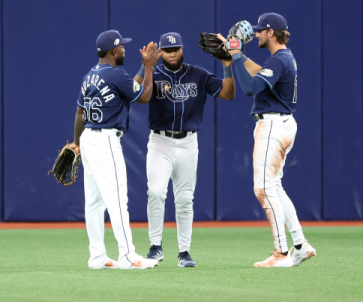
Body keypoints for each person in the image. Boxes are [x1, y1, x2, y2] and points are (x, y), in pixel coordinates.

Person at [222, 13, 316, 267]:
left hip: (273, 124)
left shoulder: (280, 59)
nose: (256, 34)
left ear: (271, 33)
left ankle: (281, 253)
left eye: (260, 31)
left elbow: (250, 88)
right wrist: (234, 56)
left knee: (263, 189)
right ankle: (301, 245)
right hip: (279, 123)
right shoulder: (283, 58)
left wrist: (236, 53)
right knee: (274, 188)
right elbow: (257, 73)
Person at [133, 32, 235, 267]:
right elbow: (135, 92)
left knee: (185, 199)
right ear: (160, 52)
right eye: (167, 50)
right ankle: (155, 247)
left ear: (182, 49)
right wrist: (144, 67)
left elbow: (228, 94)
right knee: (156, 192)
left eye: (175, 49)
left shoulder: (198, 74)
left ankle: (184, 252)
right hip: (160, 141)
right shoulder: (154, 72)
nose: (171, 54)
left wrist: (228, 67)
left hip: (189, 142)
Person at [67, 30, 162, 270]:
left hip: (88, 137)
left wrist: (77, 143)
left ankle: (97, 257)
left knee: (94, 203)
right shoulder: (117, 74)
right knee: (118, 199)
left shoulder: (89, 76)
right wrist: (149, 67)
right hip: (105, 140)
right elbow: (145, 96)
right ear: (113, 51)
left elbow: (80, 113)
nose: (124, 50)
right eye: (121, 47)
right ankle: (128, 256)